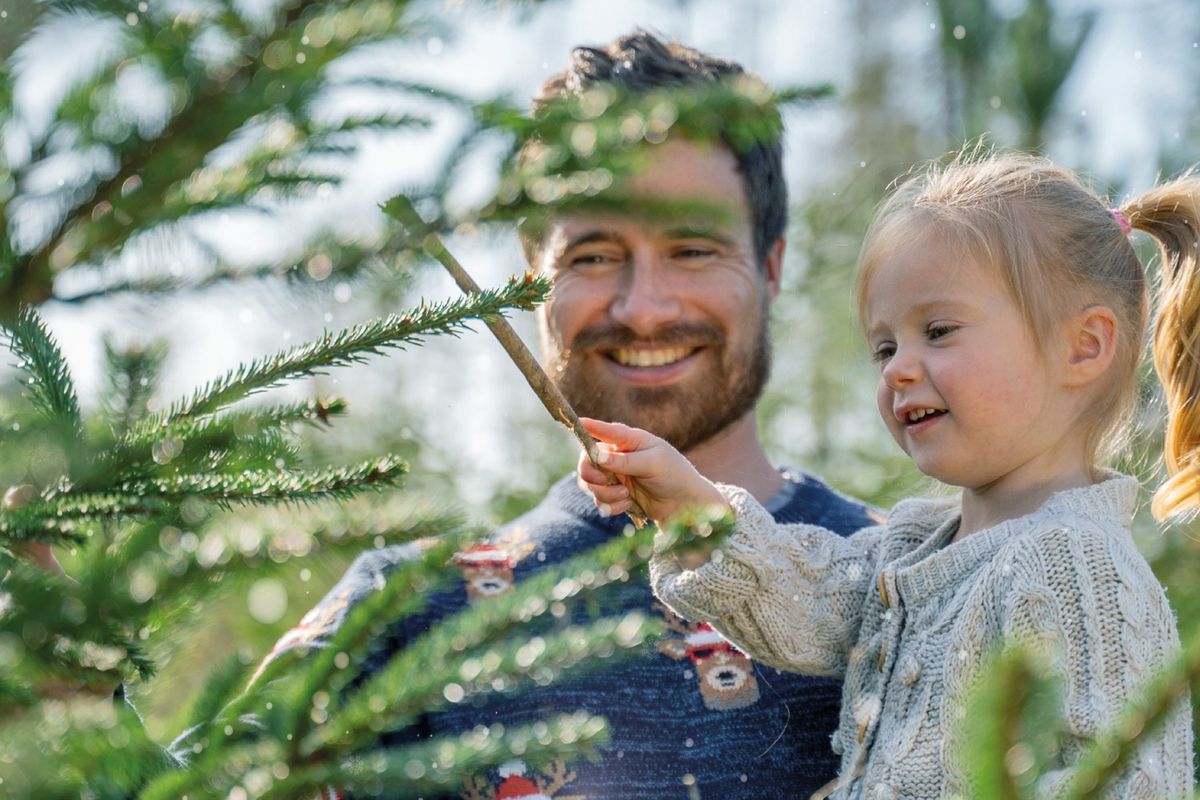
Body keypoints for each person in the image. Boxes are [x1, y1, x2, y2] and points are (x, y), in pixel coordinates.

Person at [263, 31, 878, 800]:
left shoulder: (916, 584)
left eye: (692, 249)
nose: (642, 309)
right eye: (592, 255)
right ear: (532, 279)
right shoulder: (407, 614)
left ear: (772, 267)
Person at [576, 150, 1196, 798]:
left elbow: (1126, 782)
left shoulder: (1075, 563)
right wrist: (692, 509)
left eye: (938, 330)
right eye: (885, 347)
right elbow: (808, 599)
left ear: (1083, 346)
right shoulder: (912, 549)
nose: (898, 368)